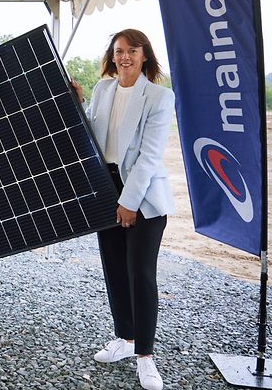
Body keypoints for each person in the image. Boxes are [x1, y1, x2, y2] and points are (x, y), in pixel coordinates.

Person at [71, 28, 174, 390]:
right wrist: (79, 103)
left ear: (145, 55)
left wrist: (128, 203)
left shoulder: (159, 97)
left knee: (140, 274)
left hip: (143, 197)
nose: (124, 57)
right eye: (118, 51)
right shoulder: (103, 90)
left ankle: (146, 356)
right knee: (114, 269)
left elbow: (148, 156)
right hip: (105, 187)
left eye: (132, 50)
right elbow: (94, 133)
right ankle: (125, 340)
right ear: (111, 56)